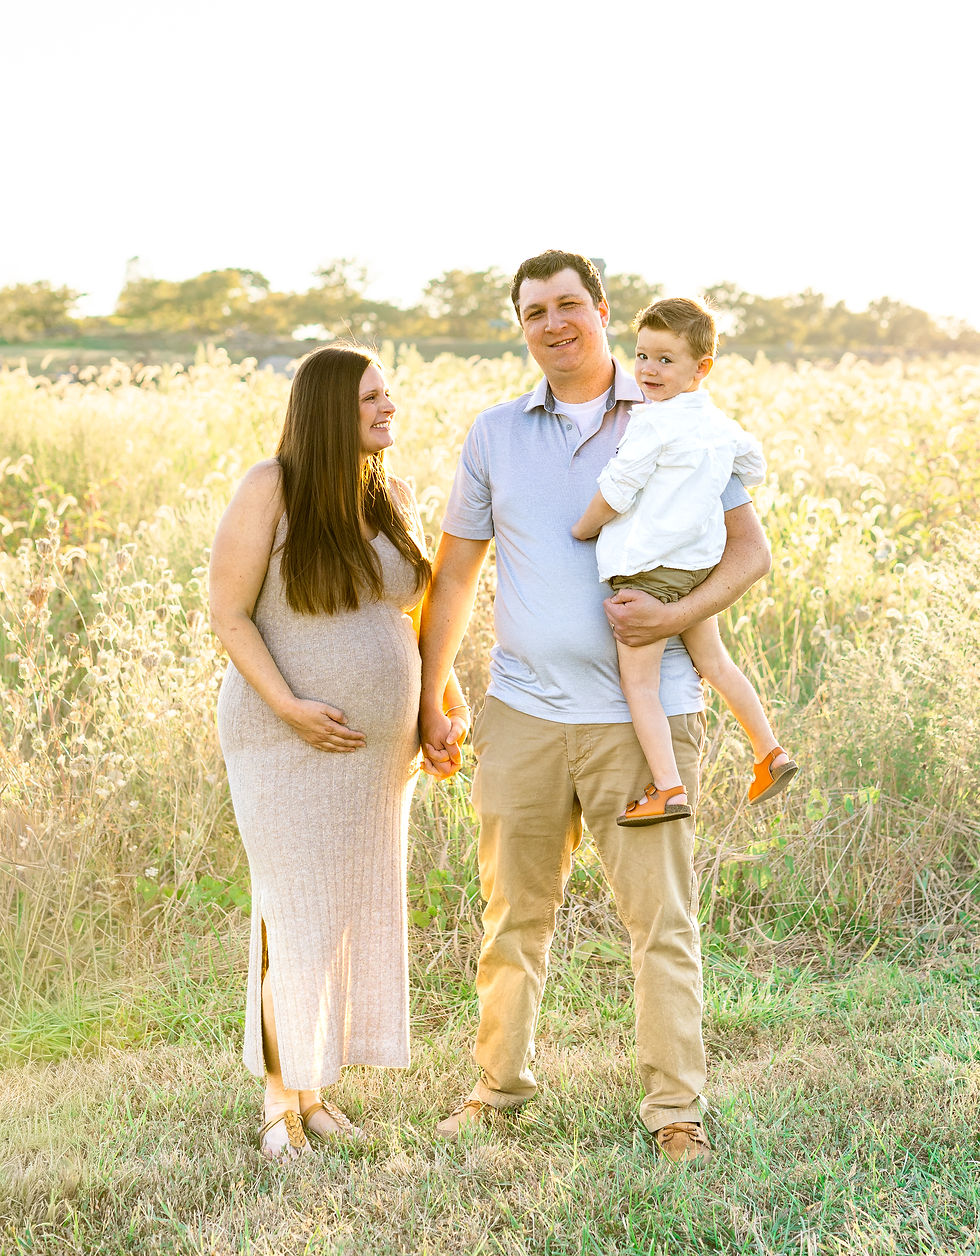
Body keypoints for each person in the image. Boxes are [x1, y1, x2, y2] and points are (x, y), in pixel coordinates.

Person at [418, 250, 771, 1166]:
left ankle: (676, 1112)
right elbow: (455, 575)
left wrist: (675, 616)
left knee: (662, 924)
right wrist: (430, 693)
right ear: (522, 327)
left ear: (603, 310)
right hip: (523, 715)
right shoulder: (496, 434)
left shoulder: (671, 411)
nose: (553, 323)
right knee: (512, 917)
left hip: (643, 721)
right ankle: (497, 1089)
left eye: (568, 304)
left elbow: (748, 554)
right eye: (534, 311)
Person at [210, 344, 467, 1161]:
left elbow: (413, 619)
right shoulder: (270, 488)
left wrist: (438, 704)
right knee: (293, 915)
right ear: (328, 412)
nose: (389, 408)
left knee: (340, 920)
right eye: (370, 399)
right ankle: (276, 1104)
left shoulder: (391, 495)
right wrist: (289, 708)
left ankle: (313, 1094)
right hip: (282, 740)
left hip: (376, 757)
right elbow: (227, 613)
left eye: (388, 394)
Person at [572, 297, 798, 826]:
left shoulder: (652, 425)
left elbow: (618, 489)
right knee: (715, 664)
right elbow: (754, 465)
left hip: (648, 575)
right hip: (695, 571)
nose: (648, 370)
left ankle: (668, 789)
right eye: (642, 356)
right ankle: (769, 752)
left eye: (665, 360)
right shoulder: (719, 425)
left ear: (701, 368)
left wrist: (583, 528)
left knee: (639, 686)